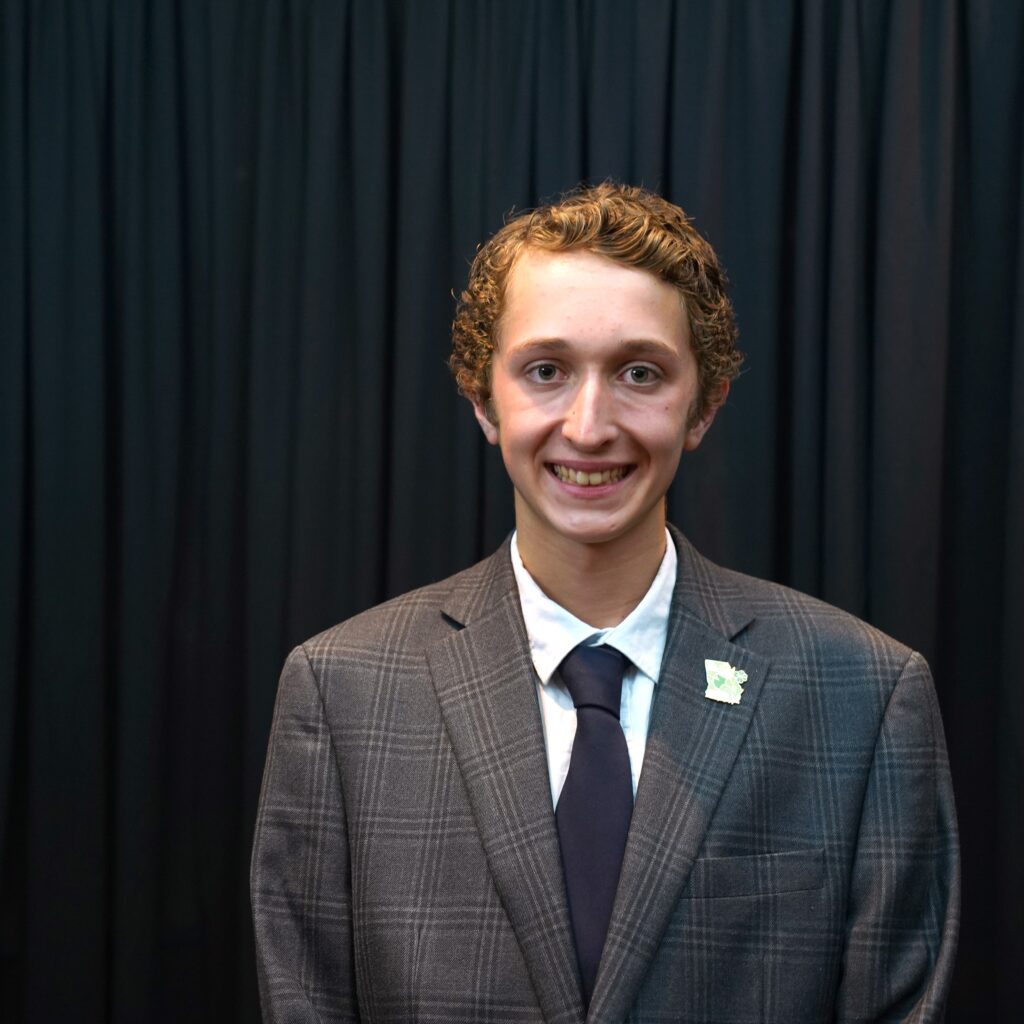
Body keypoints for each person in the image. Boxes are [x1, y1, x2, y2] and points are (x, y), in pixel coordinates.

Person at [250, 183, 959, 1022]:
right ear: (484, 398)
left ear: (704, 405)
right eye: (546, 371)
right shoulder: (342, 692)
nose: (589, 426)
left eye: (640, 373)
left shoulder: (864, 696)